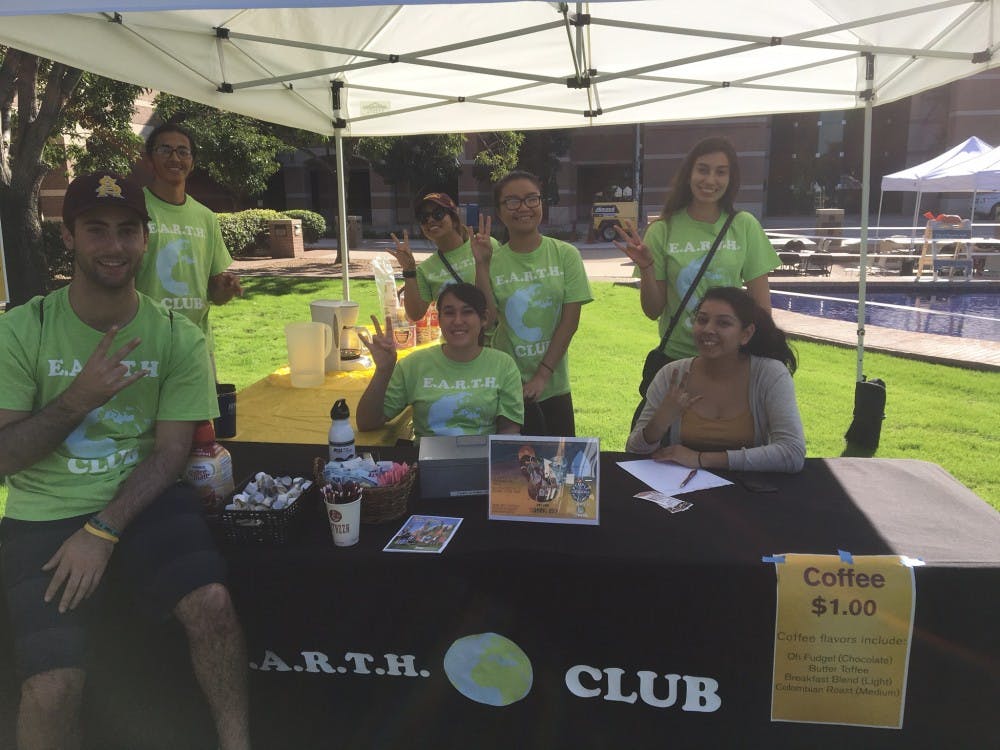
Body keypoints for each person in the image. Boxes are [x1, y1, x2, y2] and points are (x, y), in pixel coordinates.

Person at [0, 173, 251, 749]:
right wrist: (78, 400)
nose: (113, 246)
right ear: (69, 237)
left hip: (141, 501)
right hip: (44, 514)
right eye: (96, 230)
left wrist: (103, 528)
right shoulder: (22, 330)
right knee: (52, 686)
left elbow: (169, 454)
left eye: (127, 231)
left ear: (145, 238)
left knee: (212, 607)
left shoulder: (174, 336)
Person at [615, 136, 780, 362]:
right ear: (689, 174)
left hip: (728, 360)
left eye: (721, 172)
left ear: (731, 179)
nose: (710, 180)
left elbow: (761, 309)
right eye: (703, 170)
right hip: (676, 359)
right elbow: (653, 311)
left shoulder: (744, 225)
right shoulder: (662, 230)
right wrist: (646, 268)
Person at [627, 286, 805, 473]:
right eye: (702, 320)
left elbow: (792, 452)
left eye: (723, 323)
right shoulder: (672, 375)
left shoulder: (769, 374)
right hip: (682, 492)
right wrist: (660, 421)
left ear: (746, 334)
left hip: (749, 494)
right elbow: (633, 451)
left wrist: (701, 459)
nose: (708, 329)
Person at [471, 170, 593, 437]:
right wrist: (481, 265)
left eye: (531, 199)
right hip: (507, 383)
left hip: (554, 384)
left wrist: (543, 376)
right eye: (512, 201)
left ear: (541, 203)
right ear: (500, 212)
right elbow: (488, 320)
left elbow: (569, 322)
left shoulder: (565, 255)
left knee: (560, 472)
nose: (523, 207)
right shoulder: (493, 259)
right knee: (511, 474)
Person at [356, 283, 524, 439]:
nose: (458, 321)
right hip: (428, 465)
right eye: (449, 313)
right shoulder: (413, 365)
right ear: (440, 319)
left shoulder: (503, 365)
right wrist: (383, 371)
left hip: (483, 464)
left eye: (467, 312)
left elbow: (509, 433)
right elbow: (367, 423)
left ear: (484, 318)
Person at [137, 122, 242, 363]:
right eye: (165, 150)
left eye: (183, 152)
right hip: (145, 347)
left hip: (196, 346)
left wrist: (225, 289)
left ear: (192, 163)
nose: (175, 158)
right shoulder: (134, 209)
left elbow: (215, 293)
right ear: (149, 160)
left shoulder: (205, 216)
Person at [387, 192, 500, 323]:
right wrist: (409, 271)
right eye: (423, 217)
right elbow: (415, 315)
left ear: (454, 218)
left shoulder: (486, 245)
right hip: (457, 339)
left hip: (496, 338)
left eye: (438, 213)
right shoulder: (425, 270)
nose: (430, 220)